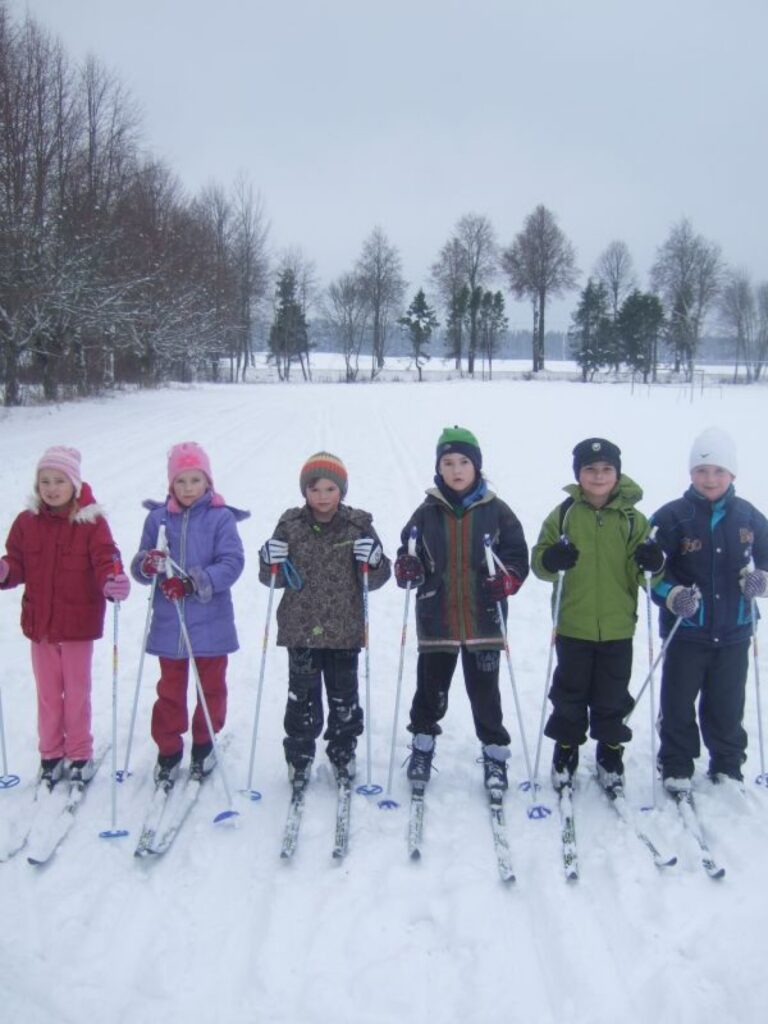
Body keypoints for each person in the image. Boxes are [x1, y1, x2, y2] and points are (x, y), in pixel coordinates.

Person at [393, 426, 529, 791]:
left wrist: (508, 580)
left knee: (486, 693)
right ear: (439, 468)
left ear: (477, 466)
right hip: (437, 620)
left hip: (485, 621)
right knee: (430, 690)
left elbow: (517, 556)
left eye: (464, 462)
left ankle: (495, 751)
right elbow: (407, 553)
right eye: (448, 462)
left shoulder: (497, 511)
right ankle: (422, 742)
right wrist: (408, 568)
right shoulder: (426, 513)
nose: (456, 470)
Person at [531, 437, 663, 791]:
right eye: (590, 470)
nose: (599, 476)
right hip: (573, 623)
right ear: (578, 474)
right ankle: (567, 749)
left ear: (617, 475)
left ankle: (610, 751)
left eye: (607, 469)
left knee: (612, 695)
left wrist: (654, 563)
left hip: (619, 626)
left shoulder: (634, 519)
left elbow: (645, 574)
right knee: (569, 692)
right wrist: (550, 560)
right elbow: (539, 562)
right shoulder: (564, 514)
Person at [0, 446, 130, 788]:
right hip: (40, 626)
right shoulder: (26, 523)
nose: (51, 488)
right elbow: (15, 564)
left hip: (77, 626)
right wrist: (4, 571)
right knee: (47, 693)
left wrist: (111, 581)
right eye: (44, 481)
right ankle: (51, 755)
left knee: (76, 692)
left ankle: (79, 753)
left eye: (59, 480)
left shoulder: (91, 523)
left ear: (74, 483)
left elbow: (106, 558)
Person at [259, 452, 391, 788]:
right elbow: (272, 578)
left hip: (344, 630)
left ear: (341, 491)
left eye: (330, 488)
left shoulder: (358, 525)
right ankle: (299, 756)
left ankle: (343, 752)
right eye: (315, 488)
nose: (322, 496)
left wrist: (374, 561)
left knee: (344, 696)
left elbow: (377, 577)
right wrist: (268, 561)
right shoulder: (290, 525)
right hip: (300, 630)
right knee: (301, 696)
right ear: (305, 491)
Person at [651, 427, 768, 792]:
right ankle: (676, 762)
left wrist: (761, 580)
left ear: (732, 474)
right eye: (702, 471)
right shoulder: (671, 516)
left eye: (718, 471)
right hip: (686, 629)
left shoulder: (748, 517)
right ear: (691, 474)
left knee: (727, 703)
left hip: (735, 629)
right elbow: (650, 571)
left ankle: (728, 763)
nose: (710, 479)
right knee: (678, 701)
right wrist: (672, 595)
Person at [130, 442, 248, 787]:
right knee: (170, 689)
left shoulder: (220, 517)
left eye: (195, 480)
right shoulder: (158, 518)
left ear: (207, 481)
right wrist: (147, 564)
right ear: (171, 483)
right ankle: (168, 749)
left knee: (211, 688)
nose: (188, 489)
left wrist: (194, 582)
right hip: (170, 625)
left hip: (211, 622)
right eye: (180, 481)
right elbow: (140, 566)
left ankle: (204, 742)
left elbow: (232, 563)